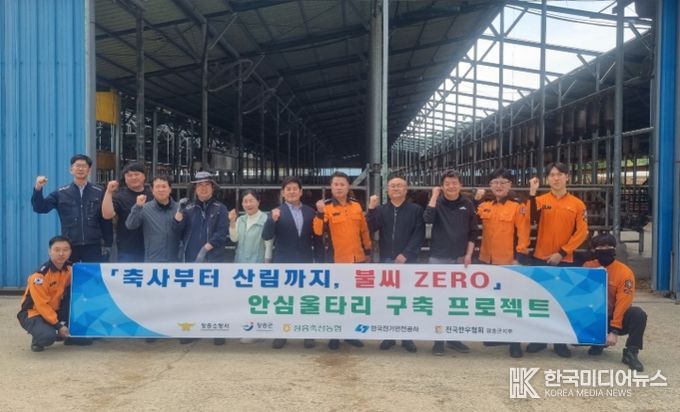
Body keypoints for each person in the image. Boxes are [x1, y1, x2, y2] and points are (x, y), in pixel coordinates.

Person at [525, 162, 589, 358]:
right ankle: (539, 339)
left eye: (560, 174)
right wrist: (532, 193)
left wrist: (562, 252)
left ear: (567, 177)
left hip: (564, 259)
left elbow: (582, 232)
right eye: (552, 175)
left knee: (561, 301)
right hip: (541, 258)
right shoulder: (541, 200)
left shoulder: (577, 204)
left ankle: (560, 341)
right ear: (547, 179)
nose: (556, 178)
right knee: (541, 301)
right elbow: (529, 218)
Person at [313, 171, 371, 350]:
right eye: (335, 184)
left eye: (342, 184)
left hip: (357, 259)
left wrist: (368, 249)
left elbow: (364, 230)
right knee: (336, 300)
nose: (339, 187)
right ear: (331, 187)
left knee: (353, 300)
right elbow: (317, 231)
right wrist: (319, 213)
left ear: (348, 187)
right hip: (336, 261)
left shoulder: (356, 206)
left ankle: (350, 333)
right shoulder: (326, 207)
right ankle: (334, 334)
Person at [476, 168, 531, 358]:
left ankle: (515, 342)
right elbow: (471, 218)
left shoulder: (518, 206)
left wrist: (519, 258)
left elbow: (523, 233)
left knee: (511, 302)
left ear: (510, 185)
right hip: (487, 260)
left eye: (503, 182)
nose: (498, 186)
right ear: (490, 186)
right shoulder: (485, 205)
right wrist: (475, 199)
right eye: (495, 182)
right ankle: (498, 334)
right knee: (493, 300)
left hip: (509, 261)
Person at [367, 175, 424, 353]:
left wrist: (406, 254)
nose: (396, 189)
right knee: (389, 300)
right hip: (387, 260)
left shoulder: (415, 210)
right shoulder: (381, 210)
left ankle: (407, 337)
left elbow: (419, 233)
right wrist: (371, 209)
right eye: (392, 186)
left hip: (408, 261)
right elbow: (370, 228)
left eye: (400, 186)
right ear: (387, 190)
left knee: (407, 300)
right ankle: (389, 335)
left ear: (406, 190)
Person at [423, 169, 478, 356]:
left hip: (460, 259)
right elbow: (427, 219)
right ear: (442, 186)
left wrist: (468, 254)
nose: (451, 187)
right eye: (447, 184)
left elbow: (473, 232)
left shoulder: (467, 204)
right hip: (438, 258)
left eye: (454, 183)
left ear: (460, 185)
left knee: (456, 301)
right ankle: (438, 340)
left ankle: (454, 338)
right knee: (438, 300)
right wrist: (434, 196)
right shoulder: (437, 203)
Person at [263, 176, 320, 350]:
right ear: (283, 193)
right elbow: (266, 236)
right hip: (284, 263)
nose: (292, 192)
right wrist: (272, 220)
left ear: (301, 192)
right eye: (288, 189)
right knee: (284, 300)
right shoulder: (276, 212)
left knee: (306, 300)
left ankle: (307, 334)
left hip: (305, 262)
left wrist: (319, 261)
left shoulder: (310, 212)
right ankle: (281, 334)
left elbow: (316, 239)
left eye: (295, 188)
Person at [173, 171, 228, 346]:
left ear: (212, 188)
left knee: (215, 297)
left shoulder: (220, 208)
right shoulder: (188, 209)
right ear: (195, 189)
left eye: (207, 185)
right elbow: (177, 232)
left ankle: (217, 330)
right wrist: (178, 216)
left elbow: (222, 233)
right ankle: (191, 330)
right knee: (192, 297)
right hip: (191, 259)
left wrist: (207, 247)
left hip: (213, 258)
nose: (203, 188)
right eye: (199, 185)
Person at [583, 234, 647, 371]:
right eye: (600, 247)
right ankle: (598, 342)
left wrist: (614, 330)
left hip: (615, 317)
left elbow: (623, 302)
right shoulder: (587, 267)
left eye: (608, 246)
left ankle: (631, 352)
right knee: (577, 341)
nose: (605, 249)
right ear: (594, 250)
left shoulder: (624, 272)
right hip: (595, 317)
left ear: (614, 249)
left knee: (638, 314)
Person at [32, 154, 113, 262]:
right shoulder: (61, 193)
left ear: (89, 170)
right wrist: (38, 188)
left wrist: (108, 244)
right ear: (71, 169)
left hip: (94, 245)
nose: (80, 169)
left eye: (84, 166)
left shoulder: (99, 191)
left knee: (93, 273)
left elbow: (106, 219)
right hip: (70, 245)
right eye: (77, 166)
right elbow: (40, 208)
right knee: (70, 272)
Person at [17, 236, 88, 352]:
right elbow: (41, 305)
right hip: (34, 312)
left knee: (79, 296)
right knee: (47, 337)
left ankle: (65, 334)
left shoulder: (69, 270)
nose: (61, 253)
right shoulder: (39, 277)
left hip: (55, 309)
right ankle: (39, 336)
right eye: (57, 250)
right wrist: (58, 326)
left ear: (70, 252)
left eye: (65, 250)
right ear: (49, 251)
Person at [102, 162, 152, 262]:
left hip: (152, 248)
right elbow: (107, 215)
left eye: (137, 174)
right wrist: (109, 192)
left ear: (144, 176)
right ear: (125, 178)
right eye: (129, 175)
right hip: (128, 249)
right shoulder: (119, 196)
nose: (133, 177)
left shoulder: (153, 195)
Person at [125, 176, 180, 262]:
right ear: (152, 190)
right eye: (157, 187)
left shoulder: (179, 209)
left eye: (164, 186)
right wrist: (137, 206)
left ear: (170, 189)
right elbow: (130, 225)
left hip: (175, 260)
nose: (161, 190)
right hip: (153, 260)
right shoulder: (145, 208)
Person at [229, 190, 273, 264]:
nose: (248, 204)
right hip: (239, 263)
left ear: (258, 202)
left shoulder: (266, 220)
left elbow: (268, 246)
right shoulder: (240, 219)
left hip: (258, 264)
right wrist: (232, 222)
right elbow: (234, 239)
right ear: (242, 204)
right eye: (245, 201)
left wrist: (266, 264)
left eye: (251, 201)